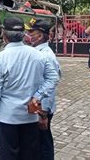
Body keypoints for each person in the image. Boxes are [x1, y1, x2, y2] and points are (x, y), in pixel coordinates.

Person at [0, 17, 59, 160]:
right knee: (29, 155)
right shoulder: (38, 55)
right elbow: (53, 78)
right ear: (23, 34)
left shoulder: (1, 58)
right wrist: (38, 95)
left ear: (4, 34)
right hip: (29, 116)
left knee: (8, 155)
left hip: (7, 117)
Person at [24, 19, 61, 160]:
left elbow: (50, 86)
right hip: (38, 107)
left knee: (43, 144)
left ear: (39, 36)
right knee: (39, 142)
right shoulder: (38, 52)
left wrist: (43, 113)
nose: (27, 35)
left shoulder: (45, 56)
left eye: (30, 32)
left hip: (41, 109)